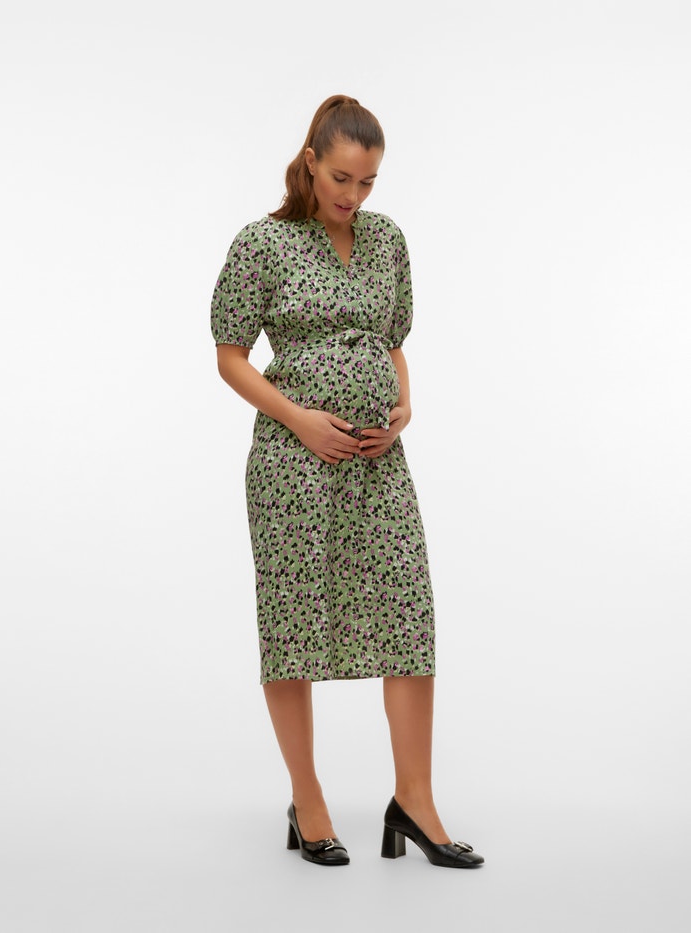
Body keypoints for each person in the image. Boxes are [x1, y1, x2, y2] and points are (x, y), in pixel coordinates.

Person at [210, 95, 483, 869]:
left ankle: (415, 800)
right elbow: (229, 355)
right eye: (341, 178)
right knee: (294, 624)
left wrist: (404, 405)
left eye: (367, 182)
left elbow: (392, 342)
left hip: (377, 461)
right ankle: (309, 800)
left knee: (409, 614)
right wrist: (301, 420)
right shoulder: (263, 243)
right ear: (310, 162)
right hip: (292, 466)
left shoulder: (387, 240)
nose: (353, 195)